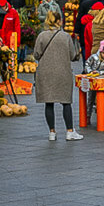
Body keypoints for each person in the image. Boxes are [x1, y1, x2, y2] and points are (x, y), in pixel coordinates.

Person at [33, 10, 83, 141]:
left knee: (49, 103)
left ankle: (52, 132)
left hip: (45, 72)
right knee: (66, 102)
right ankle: (69, 131)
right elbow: (72, 56)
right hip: (62, 73)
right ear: (59, 21)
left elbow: (36, 54)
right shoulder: (65, 36)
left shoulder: (42, 36)